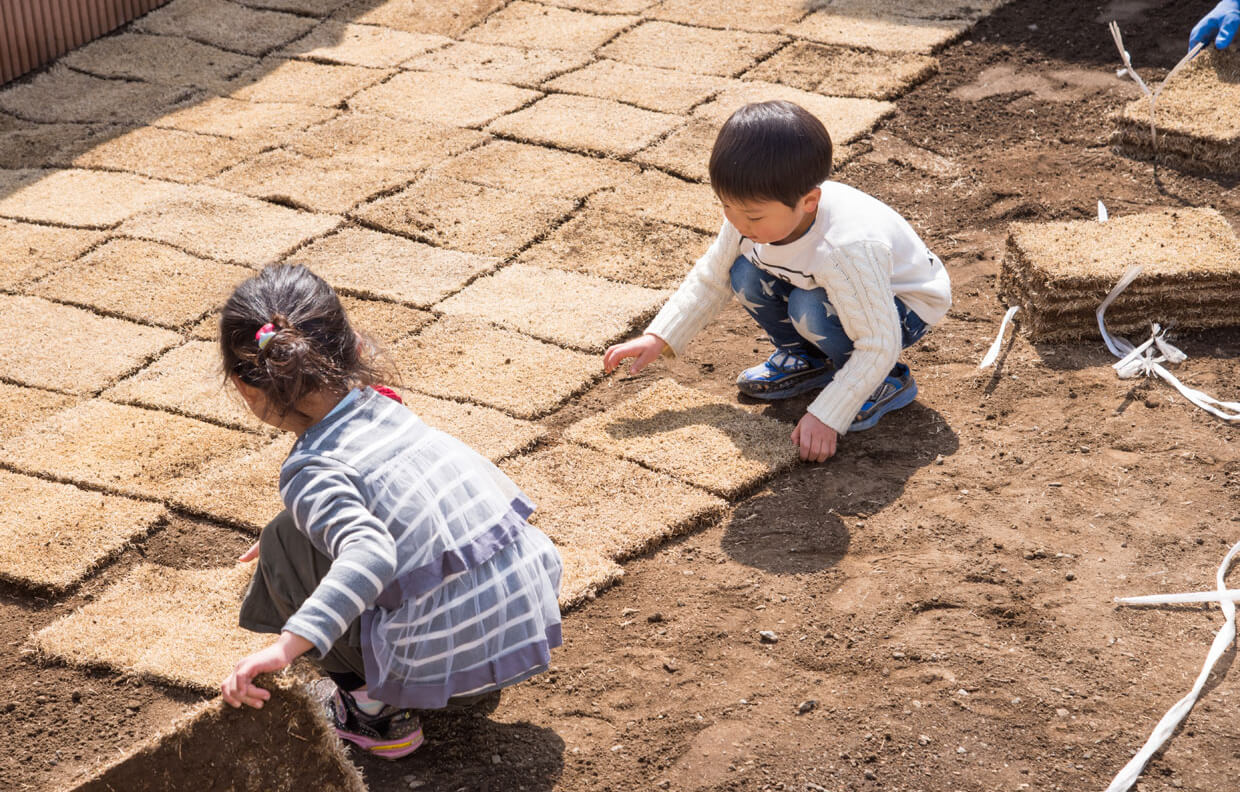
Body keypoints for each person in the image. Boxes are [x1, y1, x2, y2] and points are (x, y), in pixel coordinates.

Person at [218, 264, 563, 760]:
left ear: (245, 388)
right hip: (524, 621)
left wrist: (285, 647)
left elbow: (370, 552)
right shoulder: (387, 407)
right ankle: (469, 669)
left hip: (441, 659)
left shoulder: (310, 468)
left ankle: (374, 715)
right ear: (354, 346)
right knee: (288, 532)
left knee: (284, 542)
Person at [604, 100, 951, 464]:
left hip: (901, 309)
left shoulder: (845, 248)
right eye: (726, 206)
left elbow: (879, 342)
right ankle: (808, 360)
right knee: (743, 273)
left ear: (809, 201)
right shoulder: (748, 220)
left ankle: (885, 383)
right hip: (840, 293)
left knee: (809, 310)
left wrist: (828, 414)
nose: (737, 223)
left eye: (752, 215)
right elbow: (712, 277)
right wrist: (659, 336)